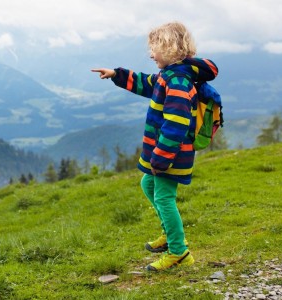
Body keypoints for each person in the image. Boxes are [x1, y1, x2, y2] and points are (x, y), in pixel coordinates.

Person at [91, 21, 218, 272]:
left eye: (155, 49)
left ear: (170, 48)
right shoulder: (168, 75)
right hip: (164, 153)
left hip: (171, 154)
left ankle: (179, 252)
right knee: (147, 184)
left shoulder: (179, 81)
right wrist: (117, 74)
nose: (151, 54)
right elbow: (147, 83)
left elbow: (177, 123)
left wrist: (161, 158)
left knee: (164, 196)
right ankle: (169, 236)